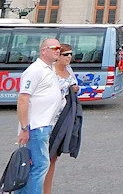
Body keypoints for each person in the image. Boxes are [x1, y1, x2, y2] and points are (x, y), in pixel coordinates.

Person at [16, 38, 64, 194]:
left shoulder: (49, 69)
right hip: (36, 126)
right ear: (44, 51)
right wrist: (24, 127)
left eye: (59, 48)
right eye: (54, 48)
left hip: (45, 124)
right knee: (40, 165)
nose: (58, 50)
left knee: (33, 165)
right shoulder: (35, 70)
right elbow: (23, 98)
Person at [43, 44, 79, 194]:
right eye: (66, 54)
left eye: (71, 54)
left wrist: (76, 89)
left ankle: (47, 190)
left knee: (53, 157)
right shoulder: (50, 71)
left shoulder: (69, 70)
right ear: (58, 56)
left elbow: (75, 86)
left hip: (64, 117)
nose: (69, 57)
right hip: (49, 117)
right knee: (43, 157)